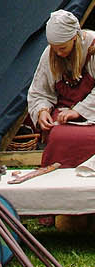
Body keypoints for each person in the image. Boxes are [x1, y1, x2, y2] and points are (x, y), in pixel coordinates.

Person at [28, 9, 95, 167]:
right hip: (64, 113)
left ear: (74, 38)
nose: (58, 53)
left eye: (63, 48)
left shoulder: (93, 47)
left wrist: (79, 111)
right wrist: (42, 111)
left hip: (92, 115)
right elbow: (39, 91)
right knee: (58, 135)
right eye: (54, 48)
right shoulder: (51, 53)